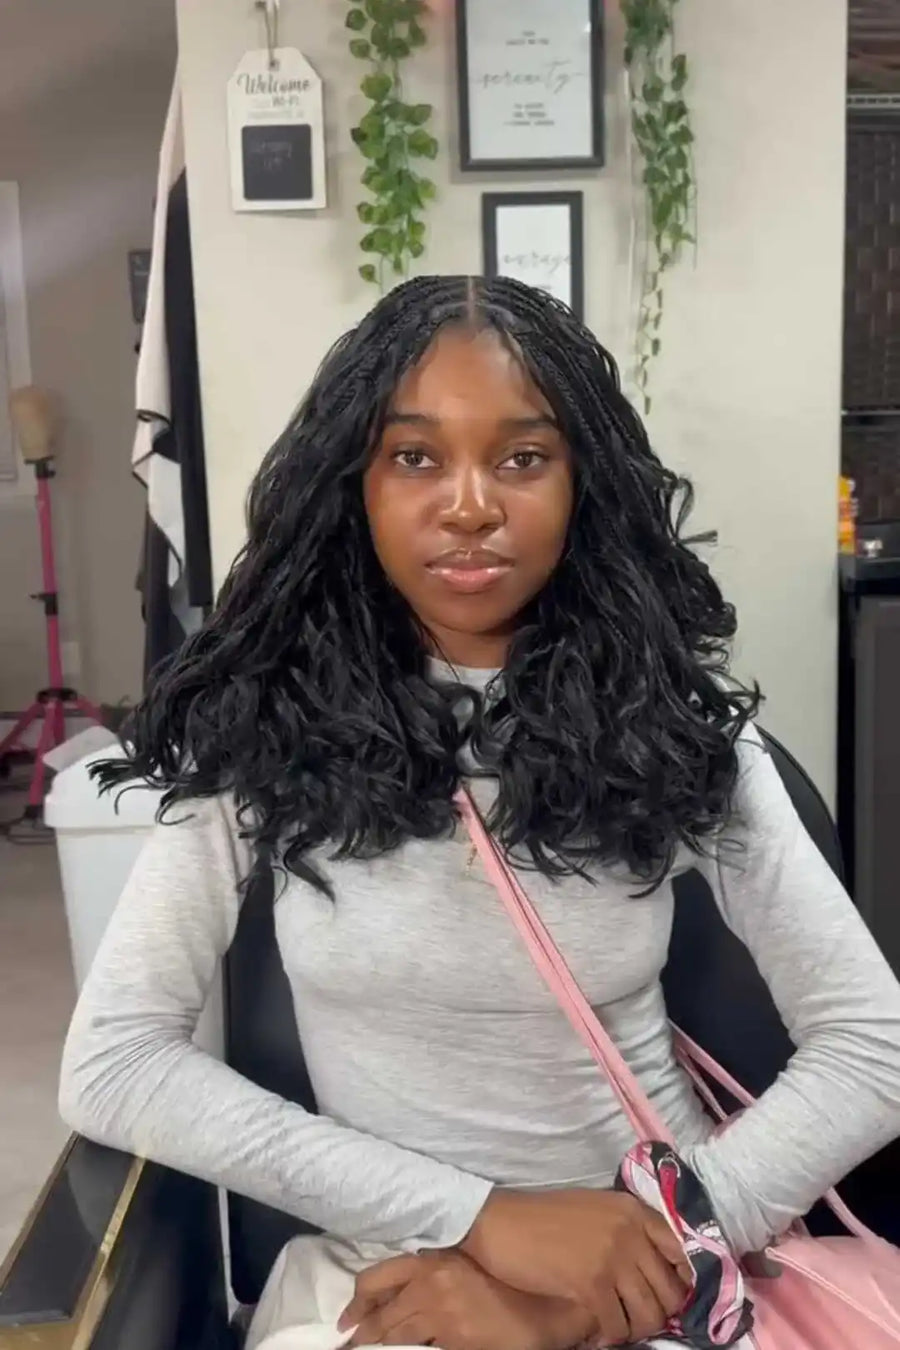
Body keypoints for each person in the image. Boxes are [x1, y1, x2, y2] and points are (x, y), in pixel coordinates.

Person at [60, 275, 900, 1350]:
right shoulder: (261, 739)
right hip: (391, 1279)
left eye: (523, 458)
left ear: (581, 485)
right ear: (352, 486)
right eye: (415, 456)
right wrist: (485, 1222)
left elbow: (871, 1047)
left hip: (666, 1274)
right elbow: (115, 1062)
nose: (469, 503)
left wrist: (633, 1261)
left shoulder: (680, 736)